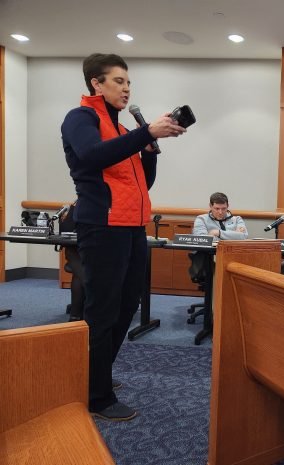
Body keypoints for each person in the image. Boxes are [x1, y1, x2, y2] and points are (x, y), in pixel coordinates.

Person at [61, 53, 186, 421]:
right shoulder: (81, 118)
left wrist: (148, 151)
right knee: (101, 309)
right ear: (96, 84)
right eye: (118, 81)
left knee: (127, 303)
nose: (126, 88)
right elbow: (91, 155)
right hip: (102, 226)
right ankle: (95, 396)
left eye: (129, 82)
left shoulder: (120, 130)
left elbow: (141, 183)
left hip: (133, 225)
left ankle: (97, 375)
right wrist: (145, 134)